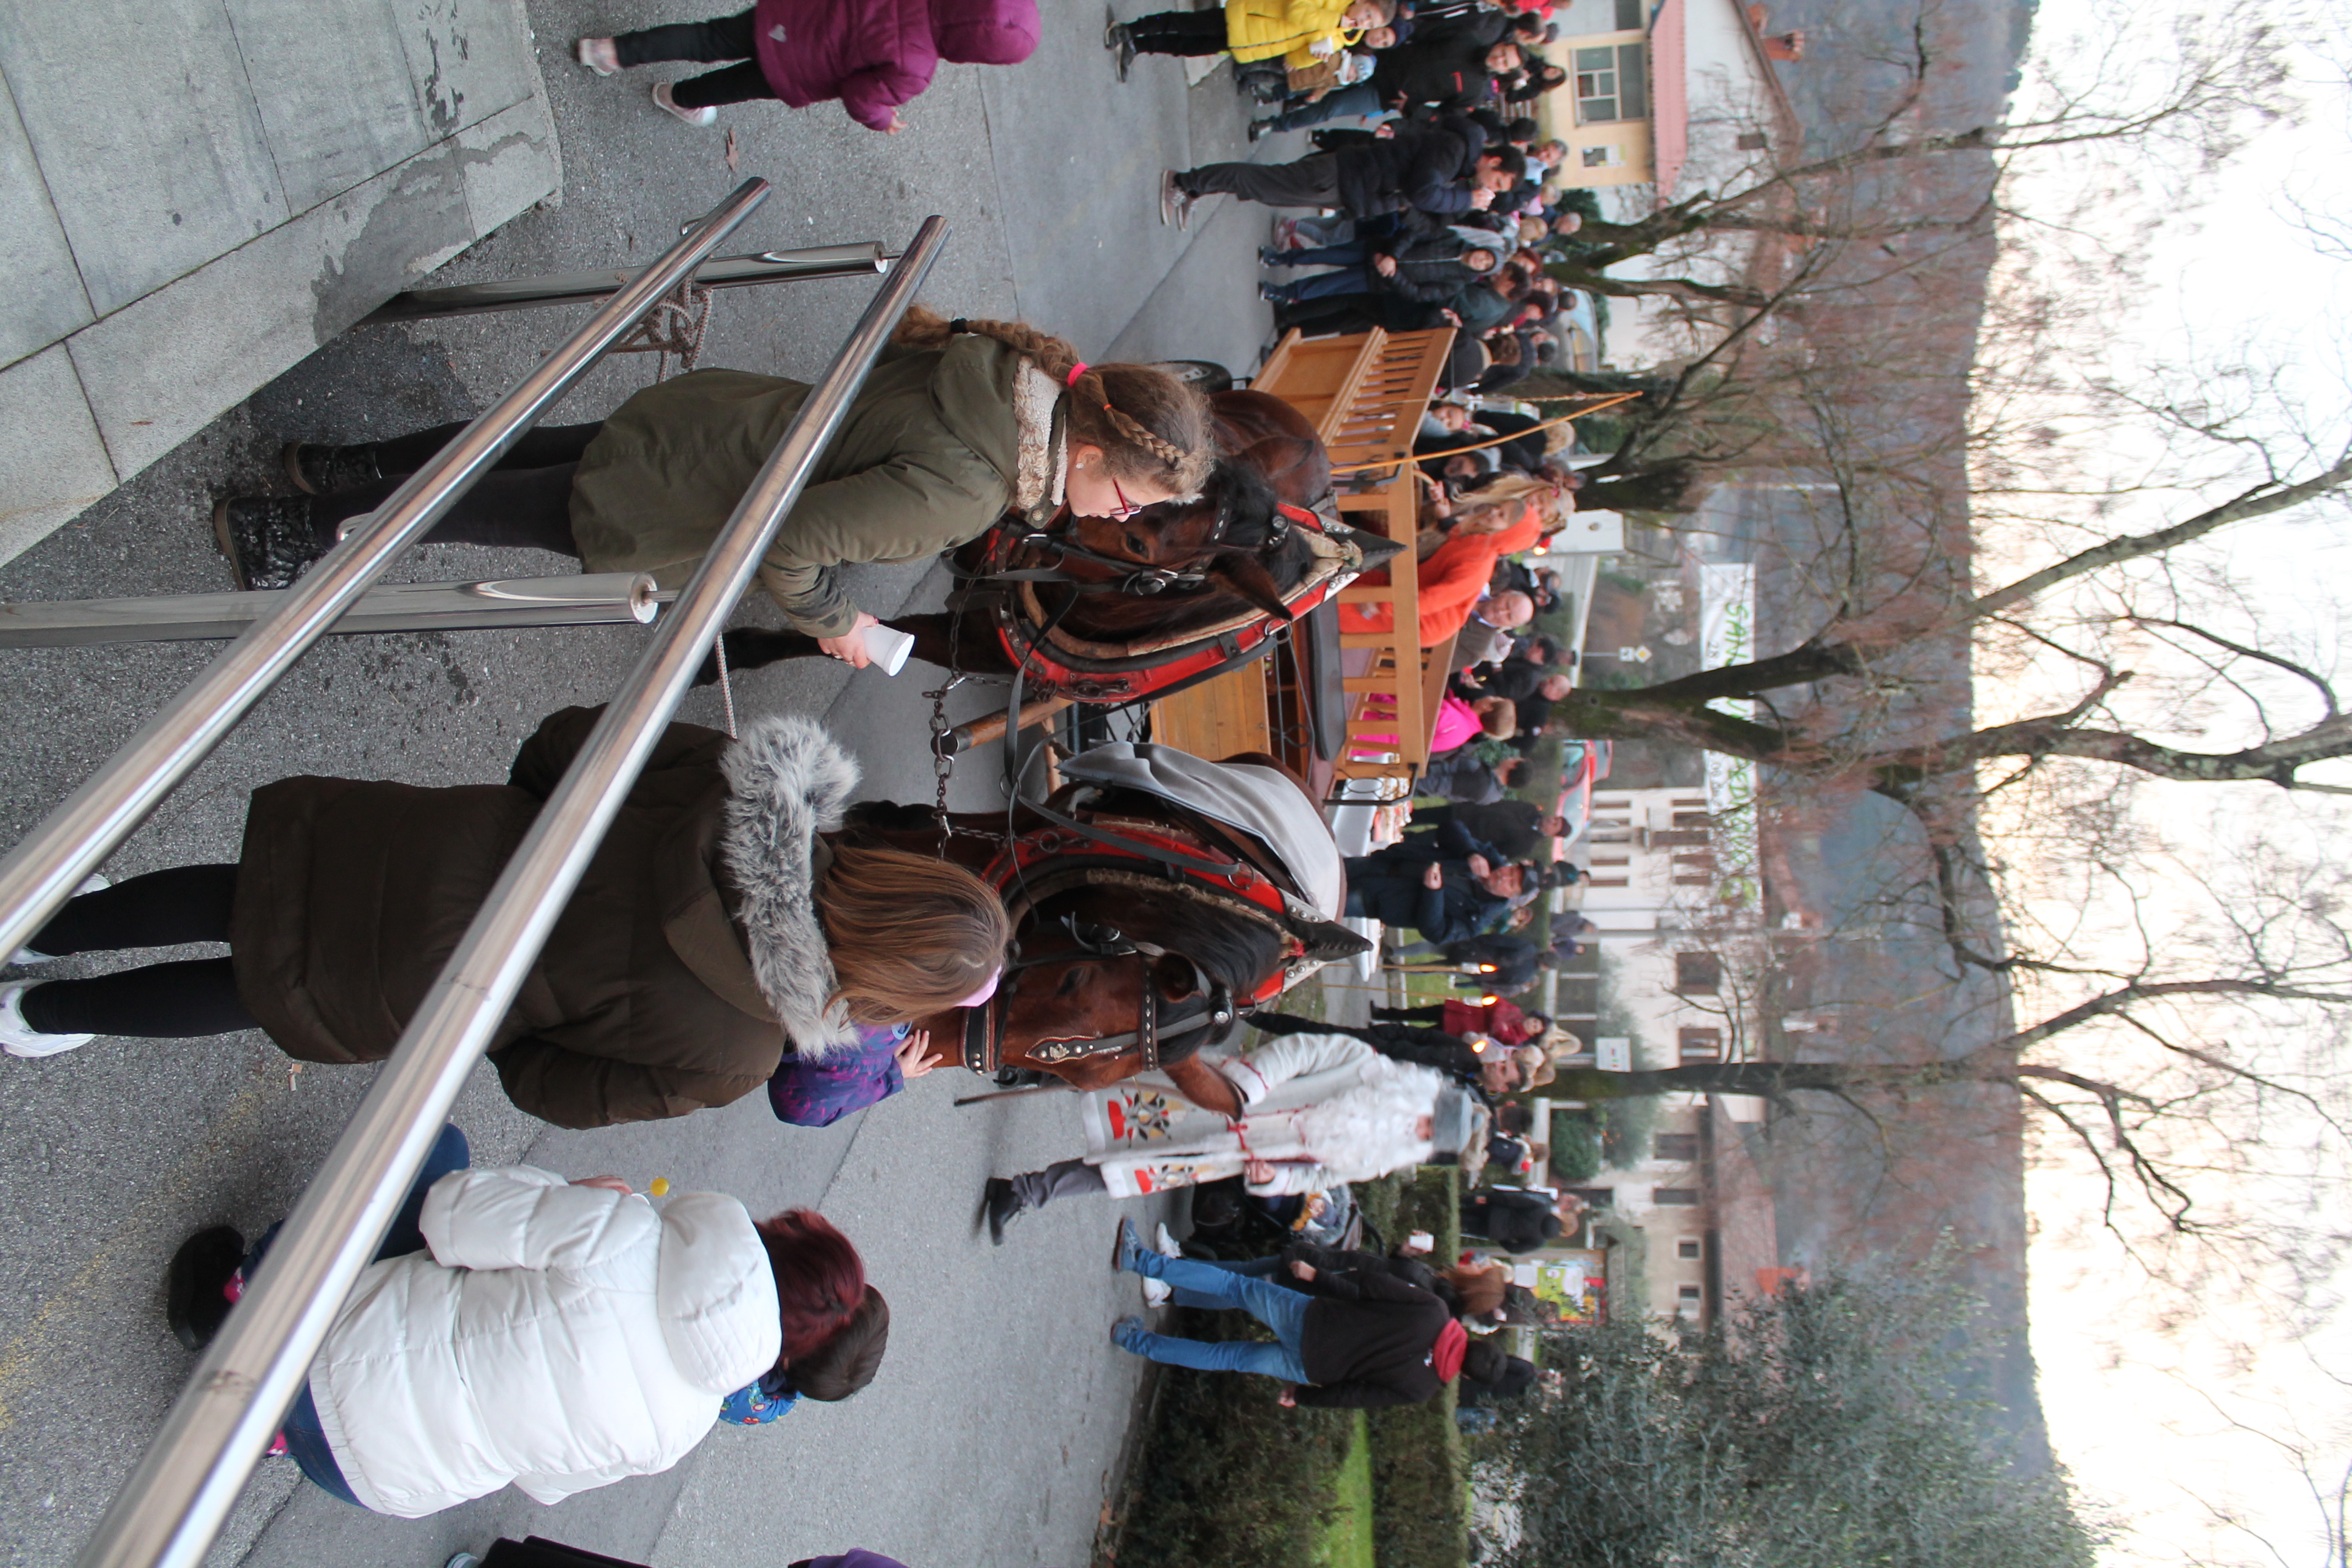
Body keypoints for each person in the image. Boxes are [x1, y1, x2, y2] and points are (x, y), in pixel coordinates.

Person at [0, 709, 1012, 1129]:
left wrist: (521, 814)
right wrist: (515, 1019)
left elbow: (568, 742)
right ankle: (38, 1015)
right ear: (892, 991)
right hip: (442, 982)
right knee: (261, 983)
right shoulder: (738, 1054)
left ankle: (44, 923)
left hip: (443, 843)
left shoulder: (763, 787)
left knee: (251, 889)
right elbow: (551, 1091)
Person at [219, 311, 1216, 672]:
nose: (1122, 519)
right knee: (475, 509)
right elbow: (790, 545)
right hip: (687, 494)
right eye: (1131, 499)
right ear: (1091, 455)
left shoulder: (1007, 372)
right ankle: (284, 527)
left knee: (498, 451)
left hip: (714, 421)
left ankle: (333, 467)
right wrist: (841, 627)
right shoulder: (973, 488)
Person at [165, 1125, 888, 1516]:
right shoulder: (681, 1433)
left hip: (326, 1359)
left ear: (782, 1235)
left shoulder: (633, 1234)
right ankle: (269, 1434)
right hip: (367, 1478)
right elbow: (543, 1483)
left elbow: (449, 1214)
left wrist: (571, 1194)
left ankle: (237, 1301)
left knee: (437, 1149)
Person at [982, 1028, 1478, 1240]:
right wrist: (1250, 1084)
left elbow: (1320, 1178)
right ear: (1424, 1096)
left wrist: (1273, 1181)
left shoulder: (1379, 1159)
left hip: (1222, 1154)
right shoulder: (1364, 1064)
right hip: (1213, 1098)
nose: (1418, 1129)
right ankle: (1021, 1059)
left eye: (1427, 1136)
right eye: (1427, 1118)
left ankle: (1023, 1192)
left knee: (1123, 1173)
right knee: (1112, 1080)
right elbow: (1301, 1051)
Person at [1108, 1219, 1532, 1407]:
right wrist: (1303, 1396)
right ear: (1468, 1378)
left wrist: (1319, 1276)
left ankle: (1141, 1261)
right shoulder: (1421, 1390)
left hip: (1312, 1318)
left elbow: (1367, 1283)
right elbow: (1355, 1396)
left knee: (1236, 1287)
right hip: (1310, 1366)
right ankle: (1133, 1340)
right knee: (1228, 1357)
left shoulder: (1433, 1311)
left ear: (1475, 1340)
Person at [570, 0, 1039, 130]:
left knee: (707, 37)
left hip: (789, 15)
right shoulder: (915, 69)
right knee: (733, 86)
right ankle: (678, 97)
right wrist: (883, 119)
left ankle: (611, 52)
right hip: (796, 71)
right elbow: (861, 97)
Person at [1163, 126, 1523, 230]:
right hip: (1344, 176)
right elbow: (1422, 192)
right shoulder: (1454, 151)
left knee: (1265, 188)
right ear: (1493, 161)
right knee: (1260, 182)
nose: (1490, 188)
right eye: (1497, 181)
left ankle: (1197, 187)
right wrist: (1465, 199)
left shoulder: (1460, 165)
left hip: (1349, 185)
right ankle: (1184, 183)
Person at [1110, 0, 1388, 75]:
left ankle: (1139, 45)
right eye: (1367, 14)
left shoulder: (1341, 39)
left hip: (1248, 45)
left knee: (1186, 47)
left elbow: (1293, 60)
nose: (1363, 23)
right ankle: (1132, 28)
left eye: (1370, 24)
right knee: (1182, 24)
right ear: (1362, 1)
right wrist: (1333, 20)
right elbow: (1296, 10)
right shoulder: (1335, 6)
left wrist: (1313, 56)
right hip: (1246, 18)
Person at [1406, 799, 1567, 861]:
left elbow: (1495, 852)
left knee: (1417, 840)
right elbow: (1500, 804)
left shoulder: (1527, 844)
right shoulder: (1530, 809)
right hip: (1464, 812)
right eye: (1555, 819)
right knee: (1415, 816)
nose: (1552, 820)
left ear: (1553, 835)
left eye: (1555, 825)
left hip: (1462, 834)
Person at [1461, 1185, 1562, 1253]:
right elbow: (1514, 1249)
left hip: (1496, 1211)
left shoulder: (1542, 1209)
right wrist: (1502, 1237)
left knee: (1464, 1207)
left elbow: (1514, 1200)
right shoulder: (1540, 1242)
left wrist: (1492, 1199)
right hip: (1493, 1231)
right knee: (1461, 1224)